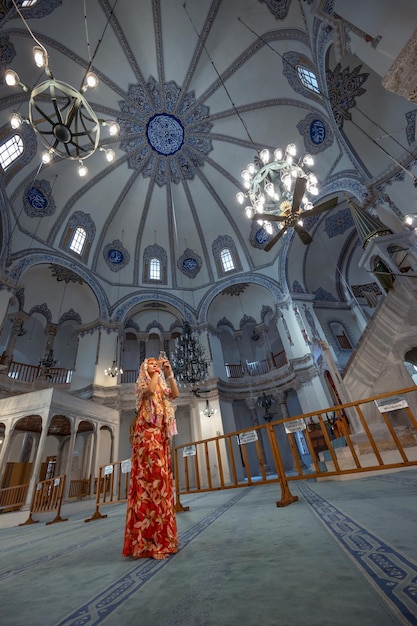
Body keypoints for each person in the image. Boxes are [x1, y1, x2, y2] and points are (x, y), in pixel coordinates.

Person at [122, 355, 179, 560]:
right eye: (151, 364)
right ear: (144, 369)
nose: (156, 366)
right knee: (149, 482)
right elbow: (148, 392)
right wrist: (155, 374)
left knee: (162, 483)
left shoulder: (161, 386)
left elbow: (174, 394)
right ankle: (149, 544)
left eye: (157, 364)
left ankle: (163, 540)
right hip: (146, 433)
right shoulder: (143, 384)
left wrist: (169, 374)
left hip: (160, 435)